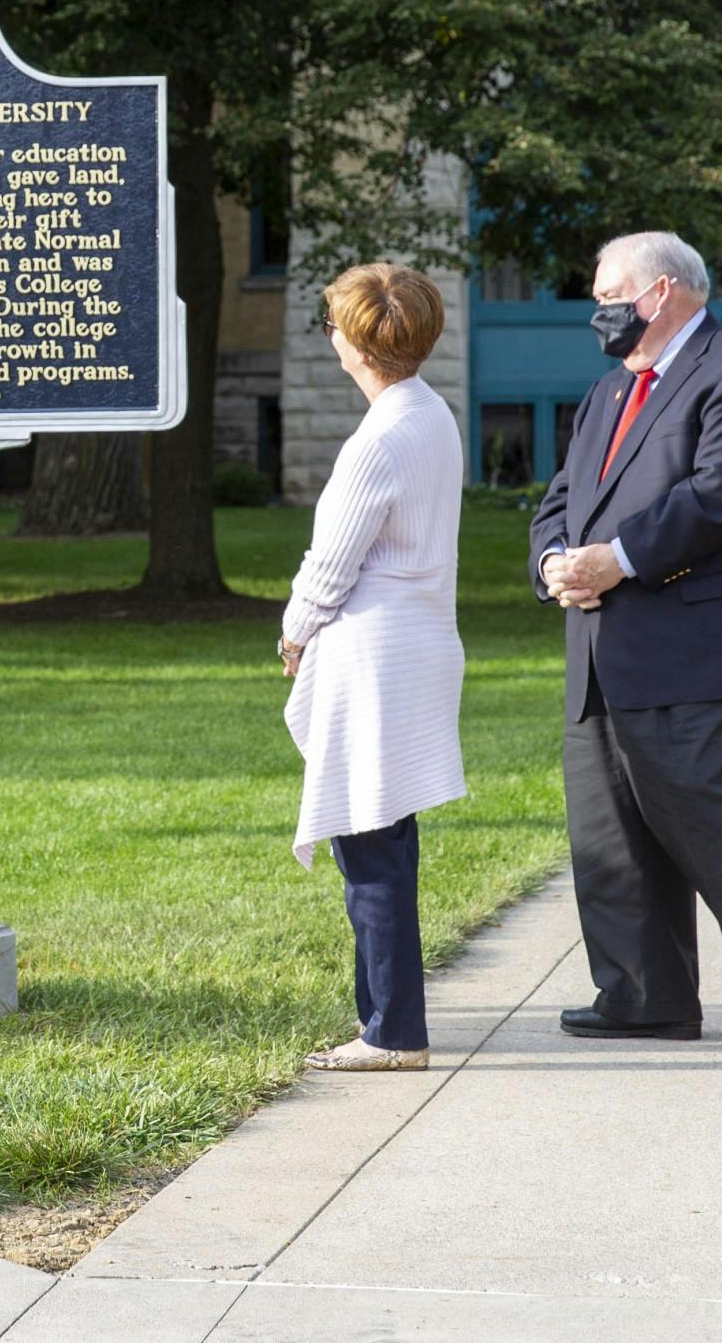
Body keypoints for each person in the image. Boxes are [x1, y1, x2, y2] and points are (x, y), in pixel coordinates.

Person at [531, 231, 722, 1051]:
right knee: (611, 828)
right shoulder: (604, 396)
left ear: (660, 293)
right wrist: (555, 560)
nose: (600, 312)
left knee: (706, 808)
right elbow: (560, 501)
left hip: (707, 647)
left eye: (609, 295)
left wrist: (616, 561)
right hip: (602, 647)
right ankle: (643, 995)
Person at [281, 264, 467, 1072]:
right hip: (420, 641)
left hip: (376, 653)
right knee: (388, 842)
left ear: (350, 344)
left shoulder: (380, 437)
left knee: (371, 850)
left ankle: (392, 1032)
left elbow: (331, 563)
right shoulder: (432, 415)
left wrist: (294, 633)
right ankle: (388, 1022)